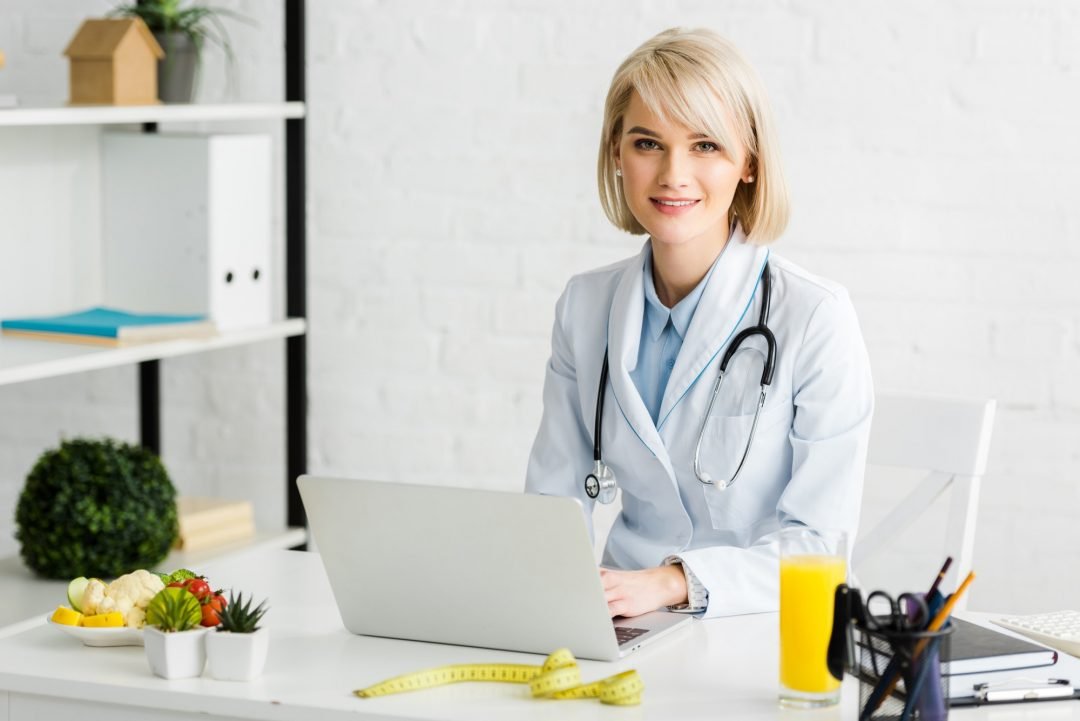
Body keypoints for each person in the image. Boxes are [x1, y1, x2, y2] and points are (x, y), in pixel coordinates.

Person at [525, 28, 874, 619]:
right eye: (647, 143)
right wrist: (552, 597)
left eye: (705, 145)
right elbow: (552, 510)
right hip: (622, 621)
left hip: (764, 628)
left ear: (749, 163)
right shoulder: (584, 308)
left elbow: (822, 547)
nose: (673, 174)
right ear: (616, 153)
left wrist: (671, 582)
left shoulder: (814, 317)